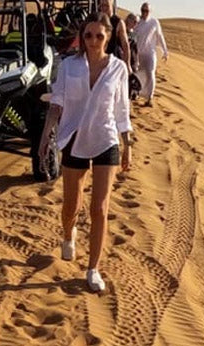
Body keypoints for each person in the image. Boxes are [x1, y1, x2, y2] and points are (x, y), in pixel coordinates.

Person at [39, 12, 132, 293]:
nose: (93, 41)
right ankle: (69, 235)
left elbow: (122, 111)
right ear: (82, 36)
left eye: (99, 36)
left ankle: (93, 268)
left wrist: (128, 145)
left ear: (109, 37)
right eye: (88, 35)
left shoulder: (118, 70)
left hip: (105, 140)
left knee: (100, 208)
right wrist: (46, 136)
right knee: (71, 206)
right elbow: (56, 103)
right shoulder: (69, 66)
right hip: (75, 138)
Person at [132, 2, 169, 107]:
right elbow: (131, 33)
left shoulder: (154, 22)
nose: (144, 13)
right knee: (138, 75)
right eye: (143, 10)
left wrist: (165, 51)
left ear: (150, 11)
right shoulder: (137, 22)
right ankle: (137, 93)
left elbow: (160, 36)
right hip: (138, 54)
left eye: (146, 10)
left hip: (150, 54)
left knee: (150, 73)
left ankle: (150, 98)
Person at [98, 0, 131, 72]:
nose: (104, 8)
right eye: (102, 5)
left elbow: (125, 44)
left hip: (112, 62)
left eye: (106, 5)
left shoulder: (118, 22)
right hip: (98, 61)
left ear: (111, 5)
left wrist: (127, 64)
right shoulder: (97, 21)